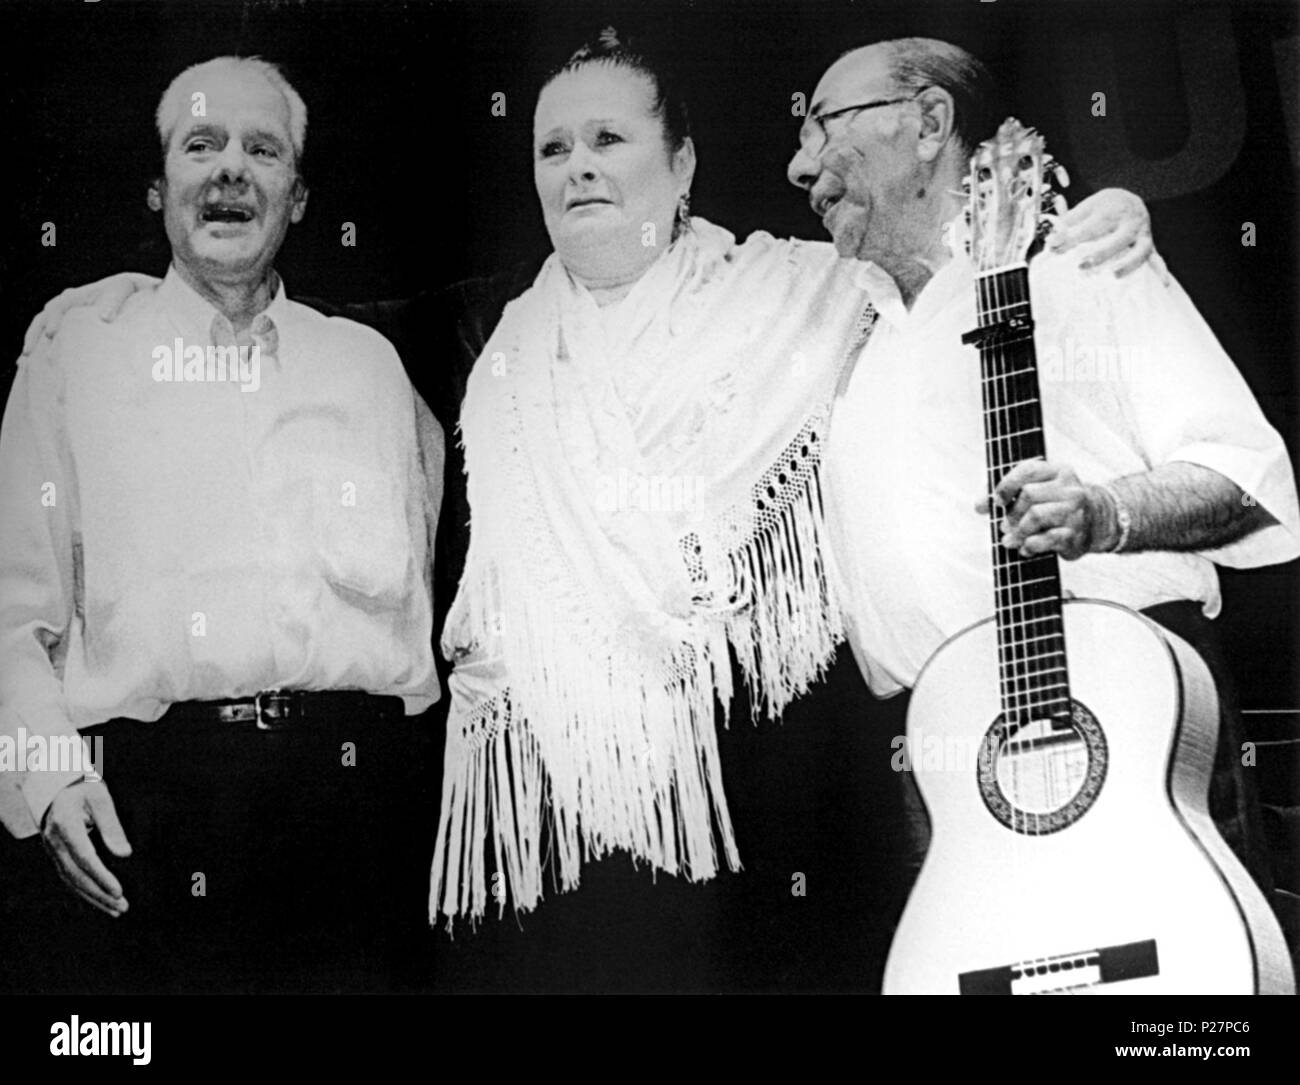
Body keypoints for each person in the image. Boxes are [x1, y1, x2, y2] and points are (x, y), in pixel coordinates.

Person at [13, 29, 1156, 990]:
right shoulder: (99, 343)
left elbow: (951, 256)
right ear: (156, 184)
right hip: (354, 805)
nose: (579, 169)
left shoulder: (813, 295)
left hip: (758, 778)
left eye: (609, 140)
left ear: (685, 163)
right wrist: (38, 763)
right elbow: (11, 594)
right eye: (552, 148)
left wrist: (1088, 219)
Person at [787, 37, 1299, 965]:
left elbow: (1251, 479)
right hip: (946, 762)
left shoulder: (1080, 260)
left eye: (822, 126)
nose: (799, 164)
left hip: (1125, 726)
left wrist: (1106, 514)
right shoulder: (835, 321)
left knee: (1187, 996)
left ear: (931, 122)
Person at [0, 56, 444, 993]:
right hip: (153, 813)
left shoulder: (370, 370)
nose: (231, 169)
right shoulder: (76, 355)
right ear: (160, 188)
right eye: (202, 145)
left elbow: (430, 600)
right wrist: (48, 783)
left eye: (263, 149)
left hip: (358, 815)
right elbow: (10, 615)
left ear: (302, 195)